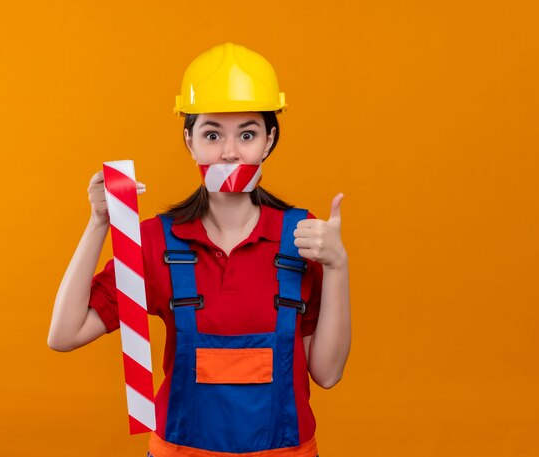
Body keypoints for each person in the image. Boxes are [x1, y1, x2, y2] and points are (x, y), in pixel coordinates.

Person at [48, 42, 351, 457]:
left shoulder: (304, 237)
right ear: (189, 140)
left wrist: (337, 266)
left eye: (247, 133)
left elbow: (328, 373)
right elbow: (64, 335)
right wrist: (99, 224)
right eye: (212, 134)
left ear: (269, 140)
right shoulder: (156, 241)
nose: (229, 151)